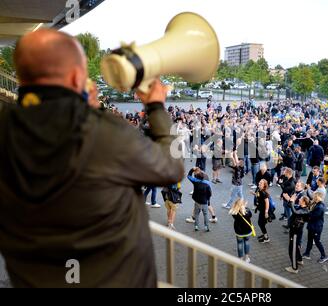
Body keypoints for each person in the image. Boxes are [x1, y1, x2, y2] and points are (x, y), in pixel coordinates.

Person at [0, 29, 184, 287]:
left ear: (20, 75)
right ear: (76, 76)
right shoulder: (104, 131)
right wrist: (156, 108)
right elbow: (173, 166)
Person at [285, 195, 310, 274]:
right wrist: (290, 200)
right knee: (295, 247)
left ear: (304, 202)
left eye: (300, 199)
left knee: (292, 250)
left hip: (295, 232)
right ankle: (299, 260)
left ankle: (294, 268)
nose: (299, 199)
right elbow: (290, 206)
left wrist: (292, 201)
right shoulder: (300, 206)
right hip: (294, 230)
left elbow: (295, 212)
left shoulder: (305, 211)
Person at [302, 191, 328, 264]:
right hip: (312, 226)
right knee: (310, 240)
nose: (312, 197)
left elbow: (312, 216)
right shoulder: (315, 203)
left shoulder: (320, 207)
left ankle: (324, 256)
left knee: (317, 242)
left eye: (314, 196)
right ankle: (307, 253)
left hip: (316, 227)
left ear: (317, 197)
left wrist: (306, 213)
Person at [187, 167, 212, 232]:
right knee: (205, 215)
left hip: (197, 201)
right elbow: (209, 193)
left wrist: (192, 169)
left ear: (197, 177)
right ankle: (206, 227)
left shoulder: (195, 181)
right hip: (204, 202)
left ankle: (196, 226)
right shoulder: (207, 183)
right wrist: (208, 200)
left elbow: (189, 176)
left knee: (197, 214)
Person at [229, 199, 253, 263]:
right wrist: (245, 206)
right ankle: (247, 258)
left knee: (239, 244)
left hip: (239, 231)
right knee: (247, 242)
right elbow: (250, 215)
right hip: (247, 230)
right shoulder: (247, 211)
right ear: (243, 204)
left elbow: (234, 210)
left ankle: (240, 259)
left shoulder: (234, 212)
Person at [252, 179, 270, 243]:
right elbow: (259, 196)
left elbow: (267, 202)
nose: (259, 183)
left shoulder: (263, 192)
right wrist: (254, 194)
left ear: (264, 185)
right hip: (261, 210)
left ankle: (266, 238)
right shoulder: (259, 190)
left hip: (264, 211)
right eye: (259, 182)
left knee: (261, 223)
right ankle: (264, 234)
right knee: (262, 223)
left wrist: (266, 212)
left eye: (261, 183)